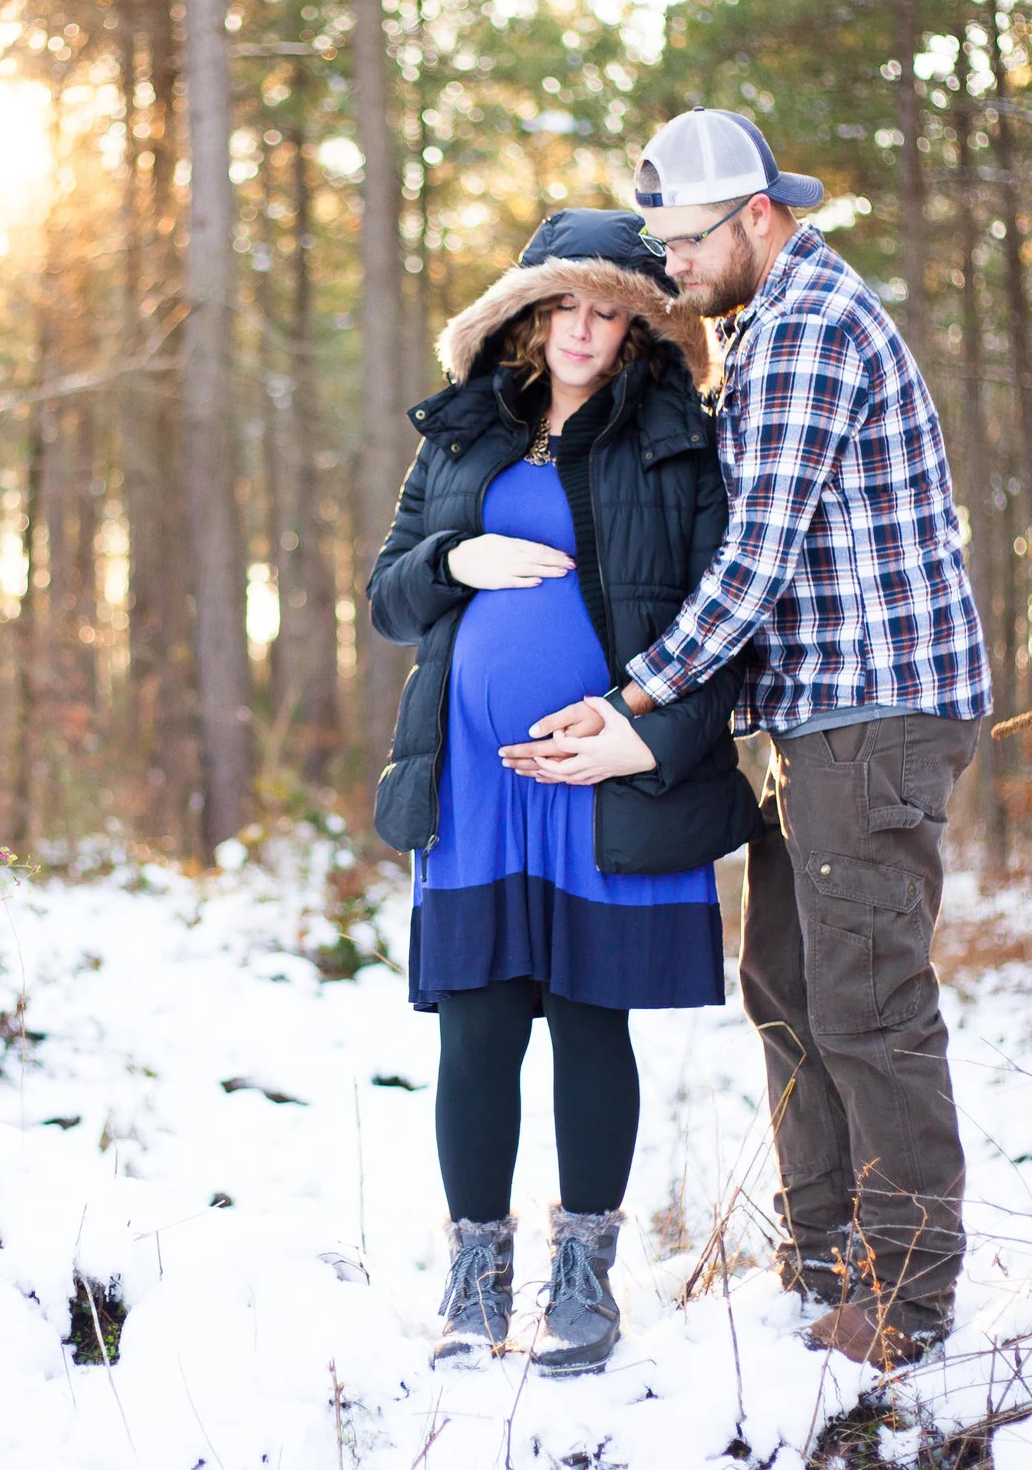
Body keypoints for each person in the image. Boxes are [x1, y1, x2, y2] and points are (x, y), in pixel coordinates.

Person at [507, 110, 993, 1369]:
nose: (667, 265)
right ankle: (822, 1254)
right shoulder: (761, 327)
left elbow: (755, 560)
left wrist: (640, 703)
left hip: (870, 712)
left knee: (868, 1001)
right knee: (783, 984)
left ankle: (904, 1295)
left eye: (682, 241)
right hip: (807, 717)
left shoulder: (810, 332)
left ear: (758, 220)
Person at [368, 209, 762, 1377]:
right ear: (531, 314)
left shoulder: (677, 441)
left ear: (642, 325)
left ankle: (584, 1283)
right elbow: (388, 596)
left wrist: (643, 740)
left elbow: (723, 621)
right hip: (478, 781)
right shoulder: (460, 435)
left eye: (612, 310)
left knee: (592, 1015)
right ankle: (476, 1278)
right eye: (566, 306)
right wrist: (455, 559)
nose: (587, 329)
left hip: (609, 774)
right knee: (479, 1021)